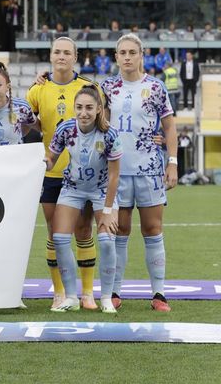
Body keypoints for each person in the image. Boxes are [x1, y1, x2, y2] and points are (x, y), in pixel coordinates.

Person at [101, 33, 177, 312]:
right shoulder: (107, 87)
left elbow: (169, 127)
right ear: (116, 57)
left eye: (133, 52)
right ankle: (116, 292)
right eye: (122, 53)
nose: (128, 57)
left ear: (141, 55)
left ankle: (159, 293)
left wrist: (172, 162)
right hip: (116, 172)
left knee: (153, 229)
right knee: (119, 231)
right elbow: (96, 119)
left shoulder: (156, 87)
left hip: (149, 169)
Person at [28, 36, 101, 309]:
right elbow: (26, 126)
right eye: (57, 52)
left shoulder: (89, 88)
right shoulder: (37, 90)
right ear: (50, 56)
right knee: (53, 232)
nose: (61, 56)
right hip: (50, 172)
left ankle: (88, 293)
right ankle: (58, 292)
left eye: (66, 52)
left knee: (83, 230)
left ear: (75, 57)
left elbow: (103, 126)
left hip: (85, 176)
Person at [44, 85, 122, 314]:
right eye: (79, 107)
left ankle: (106, 297)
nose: (83, 112)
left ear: (99, 109)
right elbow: (51, 158)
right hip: (73, 188)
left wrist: (108, 209)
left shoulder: (110, 134)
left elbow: (115, 175)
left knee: (107, 239)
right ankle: (71, 297)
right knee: (59, 238)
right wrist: (40, 163)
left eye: (89, 107)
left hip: (101, 190)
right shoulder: (66, 129)